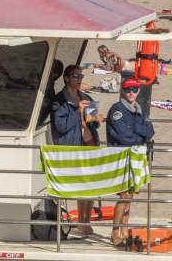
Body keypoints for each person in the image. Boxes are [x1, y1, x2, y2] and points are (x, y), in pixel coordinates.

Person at [50, 65, 103, 236]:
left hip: (89, 143)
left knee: (91, 184)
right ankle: (81, 222)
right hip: (72, 145)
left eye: (81, 76)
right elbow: (61, 126)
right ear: (66, 78)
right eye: (76, 76)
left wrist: (95, 118)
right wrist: (78, 113)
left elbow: (94, 124)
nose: (80, 79)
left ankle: (84, 222)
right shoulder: (60, 100)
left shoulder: (86, 97)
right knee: (79, 184)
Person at [106, 78, 155, 246]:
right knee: (124, 196)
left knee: (129, 197)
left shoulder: (139, 109)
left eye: (134, 89)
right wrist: (140, 134)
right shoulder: (117, 110)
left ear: (139, 90)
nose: (131, 92)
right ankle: (114, 232)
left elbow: (150, 131)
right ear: (122, 91)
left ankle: (124, 231)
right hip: (121, 158)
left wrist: (136, 130)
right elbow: (124, 137)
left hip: (134, 158)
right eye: (128, 89)